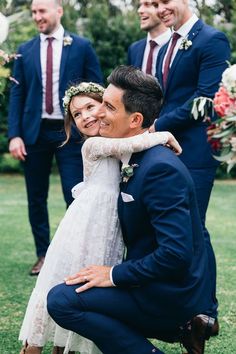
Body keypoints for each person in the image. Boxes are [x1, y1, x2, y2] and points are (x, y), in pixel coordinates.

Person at [47, 66, 219, 354]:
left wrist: (113, 275)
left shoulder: (160, 169)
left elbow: (176, 253)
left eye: (108, 107)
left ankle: (180, 328)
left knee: (62, 301)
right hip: (151, 284)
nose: (98, 113)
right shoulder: (132, 154)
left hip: (168, 296)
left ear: (135, 119)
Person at [19, 81, 180, 354]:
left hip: (108, 229)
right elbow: (138, 140)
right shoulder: (93, 145)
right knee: (61, 279)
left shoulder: (117, 142)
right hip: (83, 226)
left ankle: (66, 347)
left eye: (90, 107)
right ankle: (32, 347)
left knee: (86, 287)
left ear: (106, 107)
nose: (85, 117)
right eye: (77, 115)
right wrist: (164, 135)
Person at [149, 0, 231, 320]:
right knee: (173, 228)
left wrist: (159, 125)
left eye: (164, 1)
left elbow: (205, 101)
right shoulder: (166, 45)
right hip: (166, 149)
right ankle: (178, 303)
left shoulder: (212, 39)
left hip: (196, 151)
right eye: (154, 4)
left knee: (196, 228)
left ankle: (207, 312)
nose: (160, 8)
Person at [8, 0, 103, 276]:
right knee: (35, 197)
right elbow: (17, 95)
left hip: (69, 132)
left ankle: (75, 255)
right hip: (33, 133)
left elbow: (96, 90)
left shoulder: (82, 46)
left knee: (75, 195)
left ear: (58, 11)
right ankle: (43, 255)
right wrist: (14, 135)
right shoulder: (24, 51)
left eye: (42, 11)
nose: (38, 16)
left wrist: (94, 128)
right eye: (34, 12)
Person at [127, 0, 171, 76]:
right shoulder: (134, 49)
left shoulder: (177, 46)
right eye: (140, 5)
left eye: (147, 4)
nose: (139, 10)